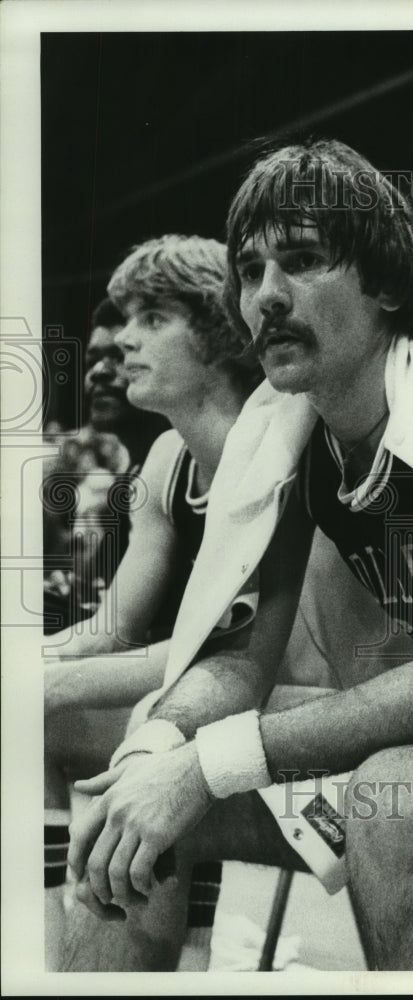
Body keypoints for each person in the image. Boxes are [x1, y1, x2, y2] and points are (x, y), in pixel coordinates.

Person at [64, 137, 413, 971]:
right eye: (251, 270)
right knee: (137, 789)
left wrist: (210, 762)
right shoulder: (286, 422)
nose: (265, 296)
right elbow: (238, 664)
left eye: (301, 261)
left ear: (385, 284)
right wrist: (157, 757)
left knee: (397, 800)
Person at [44, 234, 261, 969]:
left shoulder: (278, 442)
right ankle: (56, 927)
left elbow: (243, 655)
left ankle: (167, 952)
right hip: (211, 685)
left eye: (152, 318)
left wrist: (49, 680)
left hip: (290, 688)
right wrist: (34, 659)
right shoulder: (167, 456)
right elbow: (112, 628)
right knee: (41, 706)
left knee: (106, 716)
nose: (123, 340)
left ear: (221, 329)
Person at [42, 297, 168, 633]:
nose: (98, 373)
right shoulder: (129, 482)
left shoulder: (178, 474)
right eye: (92, 359)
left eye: (119, 356)